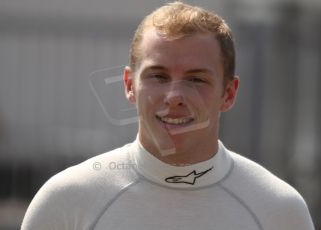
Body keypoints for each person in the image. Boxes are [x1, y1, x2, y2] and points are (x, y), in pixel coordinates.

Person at [21, 2, 315, 229]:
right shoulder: (67, 200)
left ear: (229, 93)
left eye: (196, 79)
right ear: (129, 85)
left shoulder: (278, 209)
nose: (174, 96)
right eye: (158, 76)